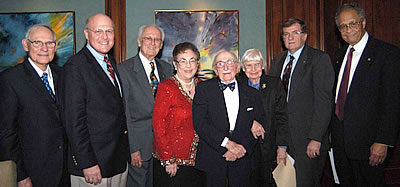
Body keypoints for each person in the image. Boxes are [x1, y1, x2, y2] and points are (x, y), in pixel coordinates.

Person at [331, 3, 400, 186]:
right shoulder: (339, 55)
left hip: (369, 146)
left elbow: (392, 103)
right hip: (340, 144)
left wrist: (383, 141)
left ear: (363, 23)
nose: (348, 30)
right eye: (343, 26)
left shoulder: (387, 54)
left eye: (352, 24)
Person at [62, 13, 129, 187]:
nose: (105, 37)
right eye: (98, 31)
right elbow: (74, 121)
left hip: (116, 161)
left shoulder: (110, 62)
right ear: (86, 33)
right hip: (94, 166)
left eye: (109, 31)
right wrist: (87, 162)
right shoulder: (75, 67)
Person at [0, 24, 69, 187]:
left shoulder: (63, 75)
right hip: (33, 172)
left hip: (65, 171)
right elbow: (6, 133)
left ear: (56, 46)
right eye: (37, 42)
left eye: (49, 43)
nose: (44, 48)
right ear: (26, 45)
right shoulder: (11, 80)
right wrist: (20, 175)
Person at [268, 18, 334, 186]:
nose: (290, 38)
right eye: (286, 34)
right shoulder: (277, 61)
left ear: (304, 36)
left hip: (307, 141)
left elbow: (324, 103)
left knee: (306, 182)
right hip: (281, 139)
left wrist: (316, 138)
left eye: (295, 33)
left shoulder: (319, 60)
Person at [192, 50, 265, 187]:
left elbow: (259, 125)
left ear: (237, 67)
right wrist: (227, 145)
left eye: (230, 63)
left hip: (242, 158)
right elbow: (200, 123)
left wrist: (241, 148)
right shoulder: (203, 89)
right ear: (215, 69)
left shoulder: (252, 93)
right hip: (212, 156)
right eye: (221, 63)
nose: (226, 67)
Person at [117, 24, 173, 187]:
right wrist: (132, 148)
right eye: (148, 38)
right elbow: (125, 112)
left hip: (162, 145)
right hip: (139, 145)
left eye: (157, 40)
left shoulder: (167, 68)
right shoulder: (124, 69)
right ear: (139, 42)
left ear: (161, 45)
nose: (153, 43)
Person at [152, 42, 205, 187]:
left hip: (200, 162)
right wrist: (168, 159)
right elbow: (158, 125)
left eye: (192, 60)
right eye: (183, 61)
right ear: (175, 64)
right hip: (173, 163)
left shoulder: (202, 87)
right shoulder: (166, 88)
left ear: (197, 64)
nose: (188, 65)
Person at [238, 48, 290, 187]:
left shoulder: (274, 84)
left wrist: (282, 147)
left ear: (262, 66)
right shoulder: (237, 86)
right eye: (249, 65)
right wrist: (250, 122)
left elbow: (282, 117)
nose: (253, 69)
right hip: (244, 150)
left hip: (269, 149)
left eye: (257, 64)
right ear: (243, 68)